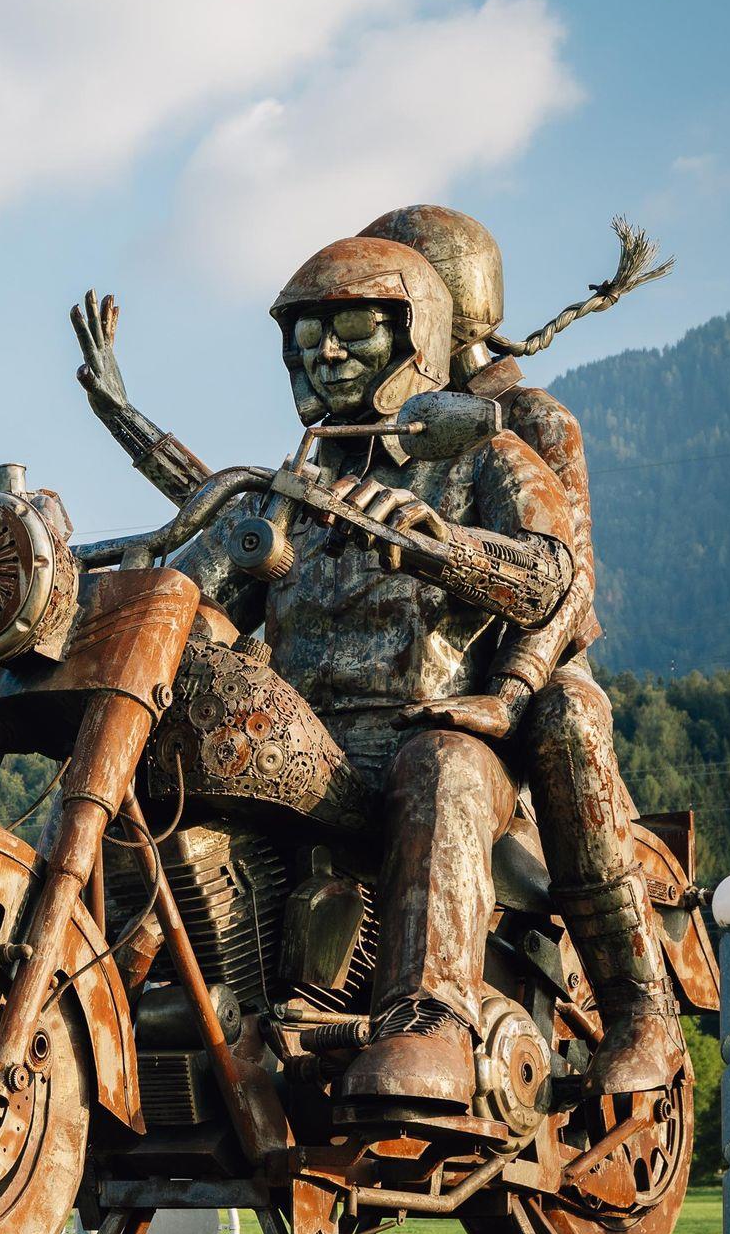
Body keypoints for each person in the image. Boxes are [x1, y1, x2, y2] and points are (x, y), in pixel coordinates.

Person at [79, 235, 578, 1114]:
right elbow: (198, 582)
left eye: (353, 332)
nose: (328, 354)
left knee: (443, 766)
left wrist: (441, 545)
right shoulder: (294, 489)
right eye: (309, 339)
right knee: (156, 764)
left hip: (430, 734)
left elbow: (551, 578)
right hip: (311, 752)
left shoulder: (487, 455)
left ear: (414, 332)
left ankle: (429, 1019)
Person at [352, 205, 681, 1096]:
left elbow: (567, 583)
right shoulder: (380, 432)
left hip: (527, 665)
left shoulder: (530, 420)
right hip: (415, 672)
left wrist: (511, 689)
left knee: (569, 719)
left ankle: (640, 1010)